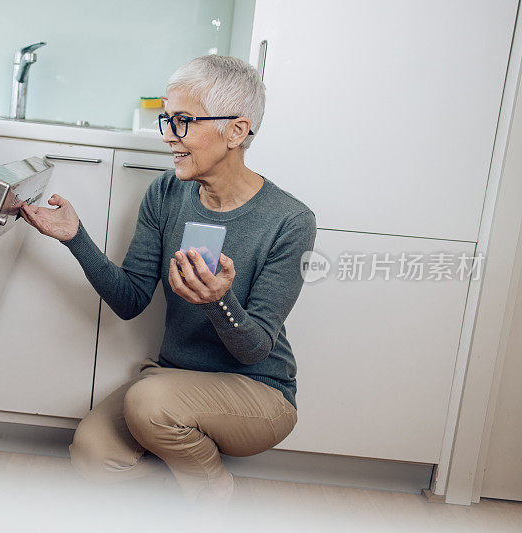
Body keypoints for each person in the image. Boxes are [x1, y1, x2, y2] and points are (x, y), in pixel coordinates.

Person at [19, 55, 317, 505]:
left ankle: (211, 488)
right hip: (174, 379)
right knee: (92, 455)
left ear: (236, 131)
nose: (168, 137)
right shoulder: (166, 192)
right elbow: (130, 299)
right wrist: (75, 238)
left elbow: (256, 348)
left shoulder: (290, 220)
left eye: (183, 122)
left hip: (259, 393)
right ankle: (182, 459)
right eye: (166, 120)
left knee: (147, 401)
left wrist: (220, 301)